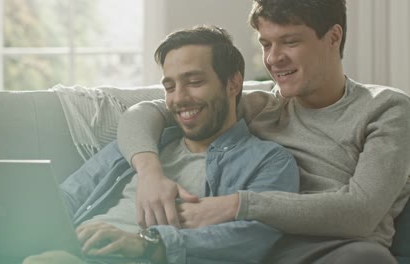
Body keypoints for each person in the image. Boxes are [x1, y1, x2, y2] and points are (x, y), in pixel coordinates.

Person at [116, 0, 410, 264]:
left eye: (289, 42)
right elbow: (141, 114)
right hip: (250, 245)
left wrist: (236, 205)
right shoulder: (263, 105)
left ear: (333, 37)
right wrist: (150, 174)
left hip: (337, 251)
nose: (273, 58)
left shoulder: (385, 108)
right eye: (266, 44)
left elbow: (360, 213)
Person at [23, 25, 299, 264]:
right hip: (65, 251)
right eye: (169, 87)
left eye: (194, 82)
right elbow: (66, 198)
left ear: (233, 83)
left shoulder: (268, 160)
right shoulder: (141, 148)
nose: (179, 99)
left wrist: (149, 243)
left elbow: (252, 238)